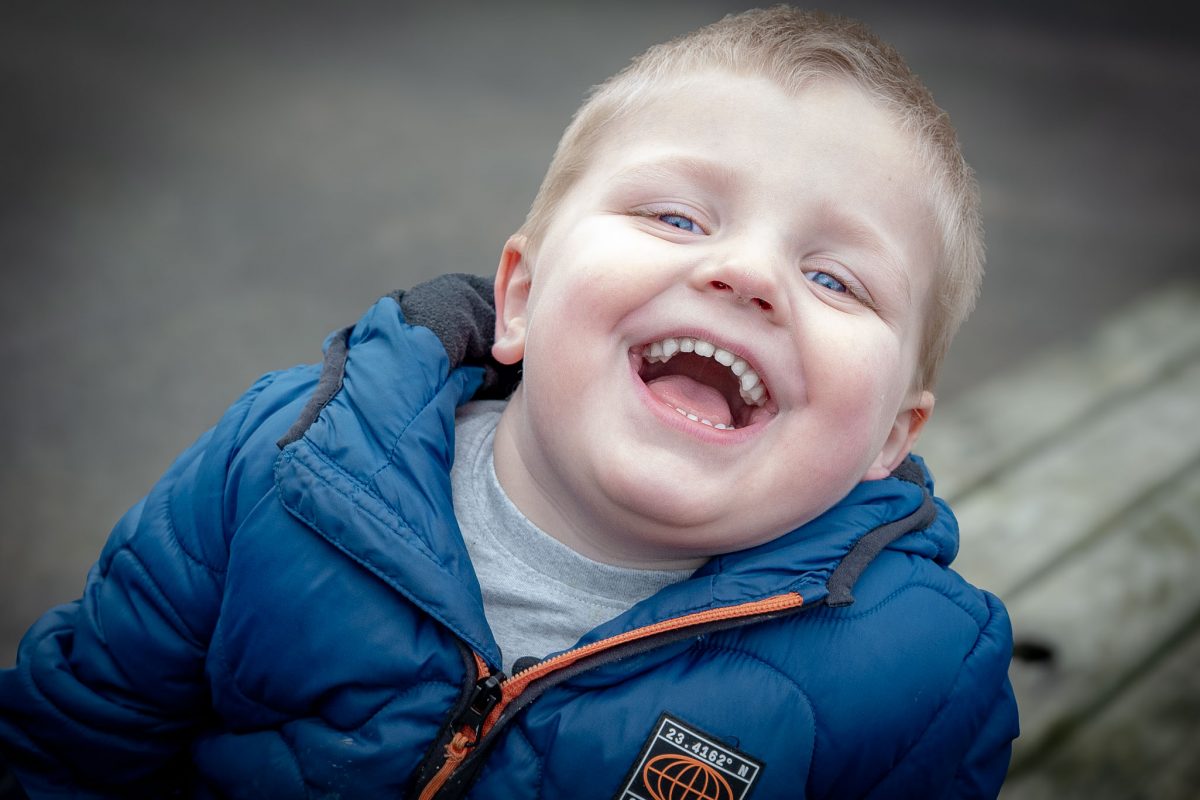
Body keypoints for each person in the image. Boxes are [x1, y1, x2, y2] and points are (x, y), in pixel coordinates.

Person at [0, 7, 1019, 799]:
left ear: (893, 433)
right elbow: (73, 741)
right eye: (677, 213)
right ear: (522, 297)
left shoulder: (918, 672)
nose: (749, 271)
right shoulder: (284, 461)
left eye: (838, 279)